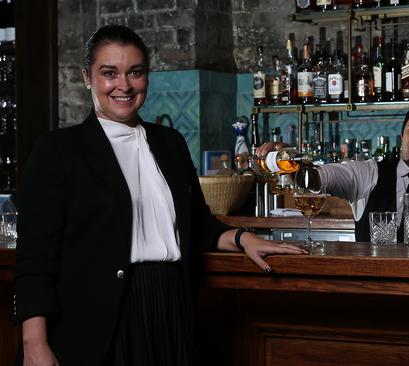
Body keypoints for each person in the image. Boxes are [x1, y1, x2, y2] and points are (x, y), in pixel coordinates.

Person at [14, 25, 307, 366]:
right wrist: (34, 342)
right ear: (87, 78)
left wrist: (244, 239)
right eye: (109, 73)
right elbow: (35, 258)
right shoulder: (58, 150)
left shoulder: (170, 143)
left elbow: (196, 224)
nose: (124, 85)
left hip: (170, 306)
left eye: (135, 73)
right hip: (98, 318)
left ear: (147, 77)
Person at [258, 100, 409, 242]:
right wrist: (290, 163)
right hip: (369, 288)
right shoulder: (366, 174)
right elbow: (317, 177)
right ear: (402, 136)